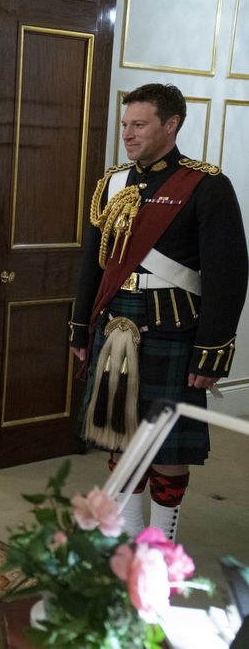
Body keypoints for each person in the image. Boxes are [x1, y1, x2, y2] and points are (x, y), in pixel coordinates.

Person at [69, 83, 248, 542]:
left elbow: (227, 275)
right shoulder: (112, 183)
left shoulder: (206, 186)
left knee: (168, 447)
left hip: (173, 330)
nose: (127, 134)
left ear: (171, 125)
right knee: (119, 435)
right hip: (115, 323)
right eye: (125, 124)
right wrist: (79, 328)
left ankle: (160, 544)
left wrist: (211, 353)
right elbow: (94, 262)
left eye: (139, 124)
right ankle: (129, 537)